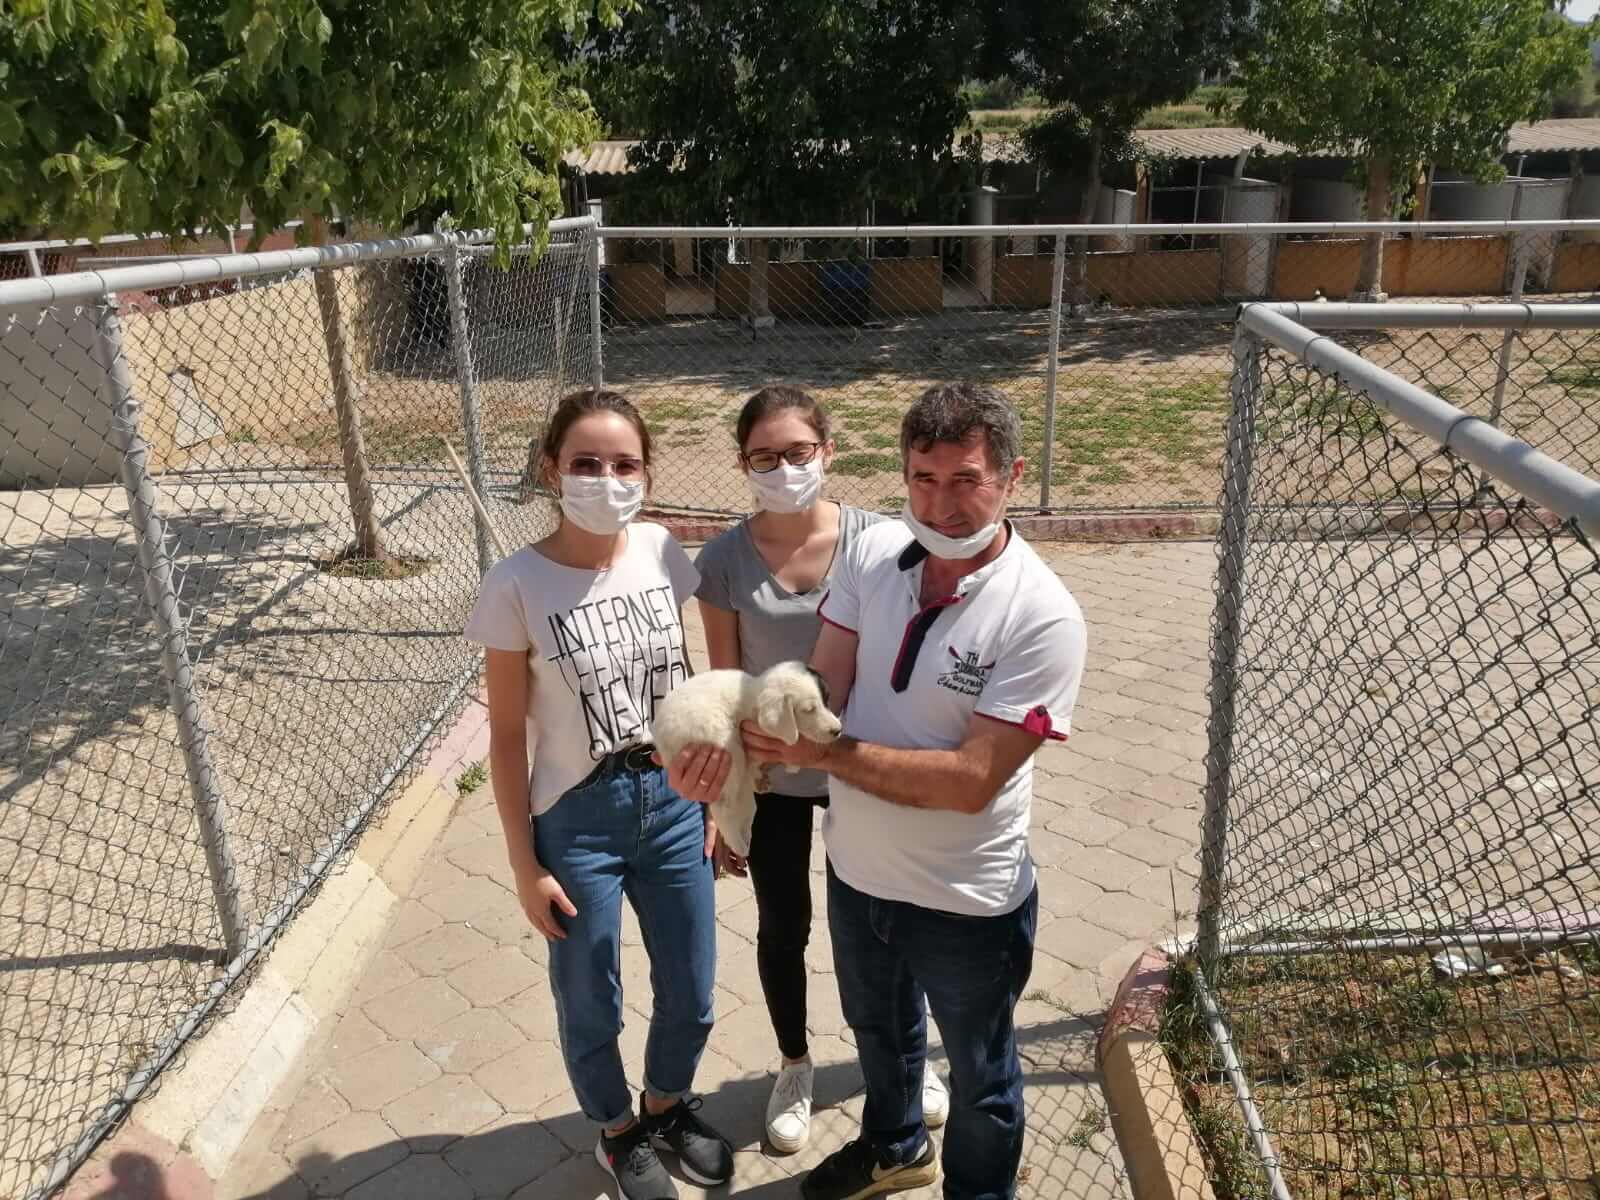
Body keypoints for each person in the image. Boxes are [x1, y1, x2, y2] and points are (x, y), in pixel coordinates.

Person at [742, 383, 1088, 1200]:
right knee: (880, 1035)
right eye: (923, 479)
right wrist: (739, 741)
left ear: (1012, 477)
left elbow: (970, 783)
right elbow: (825, 679)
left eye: (967, 479)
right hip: (858, 872)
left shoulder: (1043, 615)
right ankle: (895, 1148)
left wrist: (826, 753)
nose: (942, 504)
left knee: (982, 1078)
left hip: (966, 900)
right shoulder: (872, 555)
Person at [464, 388, 736, 1200]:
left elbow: (683, 681)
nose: (606, 479)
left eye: (625, 464)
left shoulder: (661, 550)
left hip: (672, 798)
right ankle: (617, 1133)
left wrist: (714, 800)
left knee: (692, 986)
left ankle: (666, 1105)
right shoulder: (515, 584)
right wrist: (525, 867)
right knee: (590, 996)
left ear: (646, 473)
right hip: (577, 818)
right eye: (586, 463)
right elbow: (505, 738)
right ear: (552, 469)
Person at [693, 386, 950, 1154]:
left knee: (885, 922)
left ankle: (905, 1057)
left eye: (798, 452)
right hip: (774, 778)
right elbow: (724, 684)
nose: (783, 469)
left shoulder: (879, 541)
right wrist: (724, 806)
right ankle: (795, 1065)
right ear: (743, 463)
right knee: (784, 926)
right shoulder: (723, 561)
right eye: (764, 456)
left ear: (828, 451)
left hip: (858, 765)